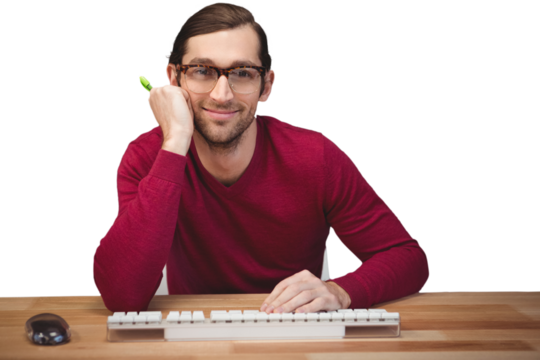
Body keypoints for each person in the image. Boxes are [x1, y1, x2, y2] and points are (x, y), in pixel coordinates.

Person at [92, 1, 430, 313]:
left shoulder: (315, 156)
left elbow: (408, 258)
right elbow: (122, 297)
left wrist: (342, 291)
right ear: (172, 79)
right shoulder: (147, 155)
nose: (221, 95)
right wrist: (176, 138)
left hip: (297, 337)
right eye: (201, 71)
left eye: (241, 73)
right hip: (196, 341)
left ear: (266, 85)